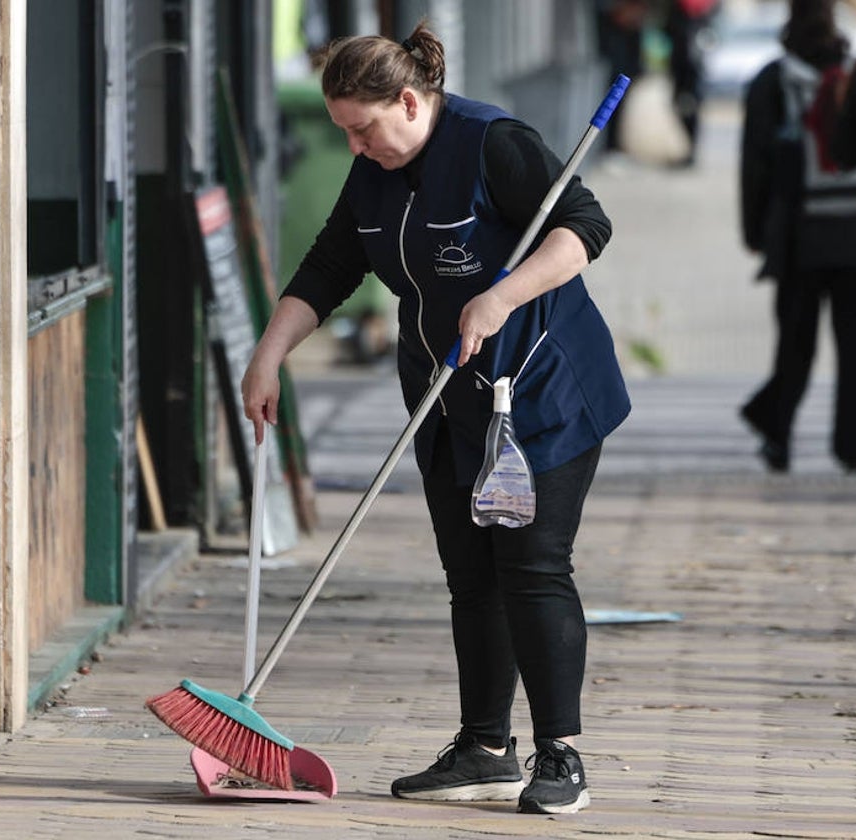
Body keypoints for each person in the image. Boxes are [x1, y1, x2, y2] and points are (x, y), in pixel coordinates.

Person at [240, 22, 630, 814]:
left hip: (539, 392)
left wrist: (502, 293)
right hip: (446, 398)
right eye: (343, 131)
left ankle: (563, 756)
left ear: (410, 102)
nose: (354, 147)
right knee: (470, 575)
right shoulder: (375, 175)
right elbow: (329, 266)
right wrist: (267, 355)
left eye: (363, 128)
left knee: (531, 564)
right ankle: (485, 746)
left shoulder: (493, 143)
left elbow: (585, 228)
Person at [739, 0, 856, 474]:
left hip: (799, 235)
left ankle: (777, 436)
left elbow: (754, 165)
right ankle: (851, 447)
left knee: (795, 343)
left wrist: (755, 232)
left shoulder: (772, 81)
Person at [665, 0, 720, 166]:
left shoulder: (700, 15)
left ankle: (690, 151)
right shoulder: (685, 14)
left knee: (689, 109)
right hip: (685, 68)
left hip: (691, 70)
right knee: (683, 107)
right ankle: (689, 149)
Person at [595, 0, 649, 154]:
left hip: (622, 75)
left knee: (617, 112)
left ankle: (612, 147)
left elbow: (635, 56)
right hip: (608, 74)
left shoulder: (633, 31)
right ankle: (606, 147)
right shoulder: (607, 25)